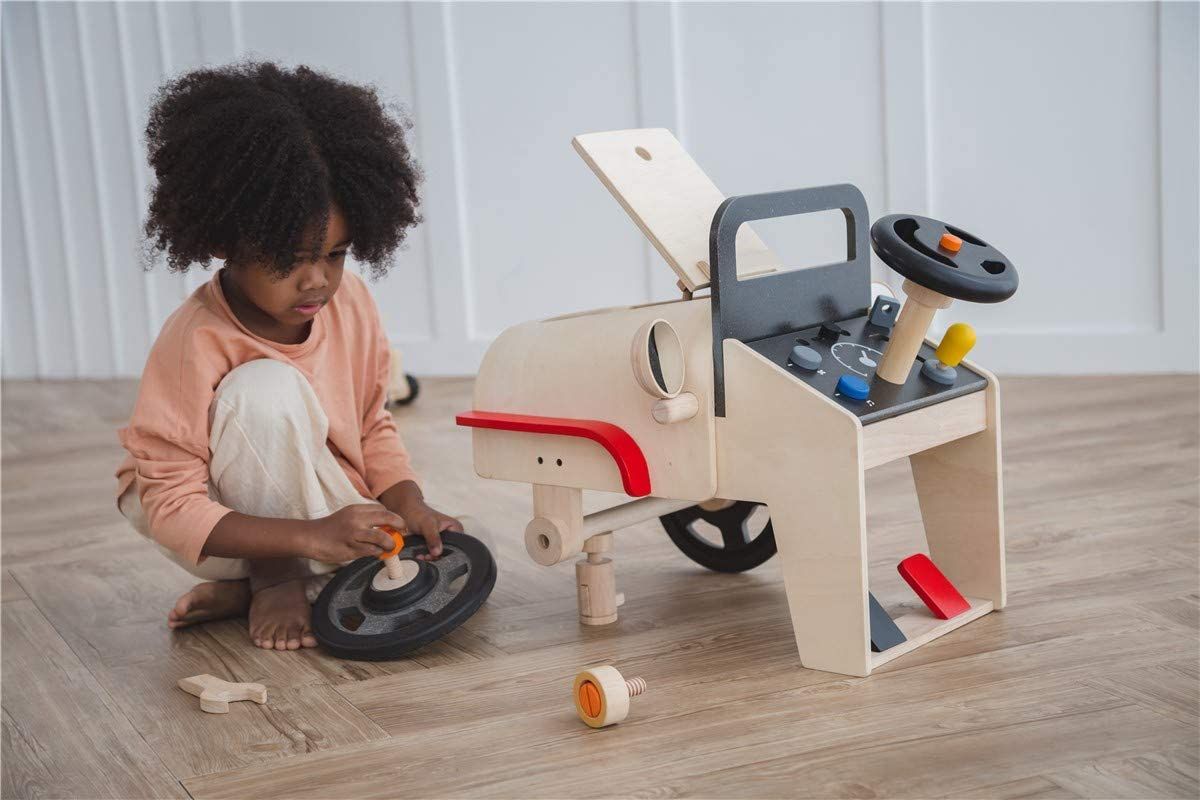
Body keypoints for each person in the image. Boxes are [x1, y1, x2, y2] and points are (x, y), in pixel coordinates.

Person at [115, 62, 459, 651]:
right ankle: (272, 577)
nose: (317, 281)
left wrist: (410, 502)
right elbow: (170, 504)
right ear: (224, 241)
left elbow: (372, 423)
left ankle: (260, 587)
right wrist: (301, 541)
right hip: (211, 524)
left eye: (336, 254)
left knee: (426, 556)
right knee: (263, 391)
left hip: (316, 516)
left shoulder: (350, 302)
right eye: (290, 258)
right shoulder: (195, 339)